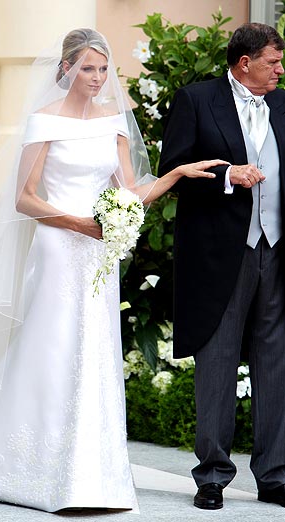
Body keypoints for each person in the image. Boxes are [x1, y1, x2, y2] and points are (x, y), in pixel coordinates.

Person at [0, 28, 224, 513]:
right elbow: (25, 198)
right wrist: (80, 223)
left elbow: (130, 191)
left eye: (103, 69)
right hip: (60, 246)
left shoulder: (114, 123)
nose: (97, 78)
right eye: (87, 68)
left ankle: (90, 479)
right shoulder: (44, 120)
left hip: (97, 254)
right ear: (66, 69)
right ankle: (32, 466)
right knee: (53, 346)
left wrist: (176, 175)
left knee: (95, 351)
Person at [158, 22, 285, 510]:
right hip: (219, 254)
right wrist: (228, 176)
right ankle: (211, 475)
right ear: (243, 63)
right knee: (217, 362)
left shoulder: (283, 105)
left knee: (275, 363)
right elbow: (176, 173)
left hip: (275, 249)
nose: (280, 69)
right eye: (272, 62)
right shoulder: (196, 100)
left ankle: (273, 475)